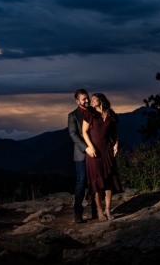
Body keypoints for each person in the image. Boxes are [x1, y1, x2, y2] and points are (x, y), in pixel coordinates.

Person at [82, 92, 123, 221]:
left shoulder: (111, 114)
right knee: (97, 182)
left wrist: (116, 144)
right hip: (94, 152)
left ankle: (108, 209)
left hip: (108, 150)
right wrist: (90, 147)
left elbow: (114, 131)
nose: (91, 101)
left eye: (94, 99)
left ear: (101, 100)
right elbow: (84, 132)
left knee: (109, 181)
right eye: (91, 99)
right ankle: (100, 211)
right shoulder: (90, 114)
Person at [68, 89, 98, 223]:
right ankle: (78, 213)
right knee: (81, 181)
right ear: (77, 101)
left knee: (95, 181)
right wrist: (86, 148)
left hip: (96, 151)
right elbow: (73, 134)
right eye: (83, 99)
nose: (86, 101)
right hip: (81, 153)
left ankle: (96, 211)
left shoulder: (94, 111)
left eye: (87, 98)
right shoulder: (73, 115)